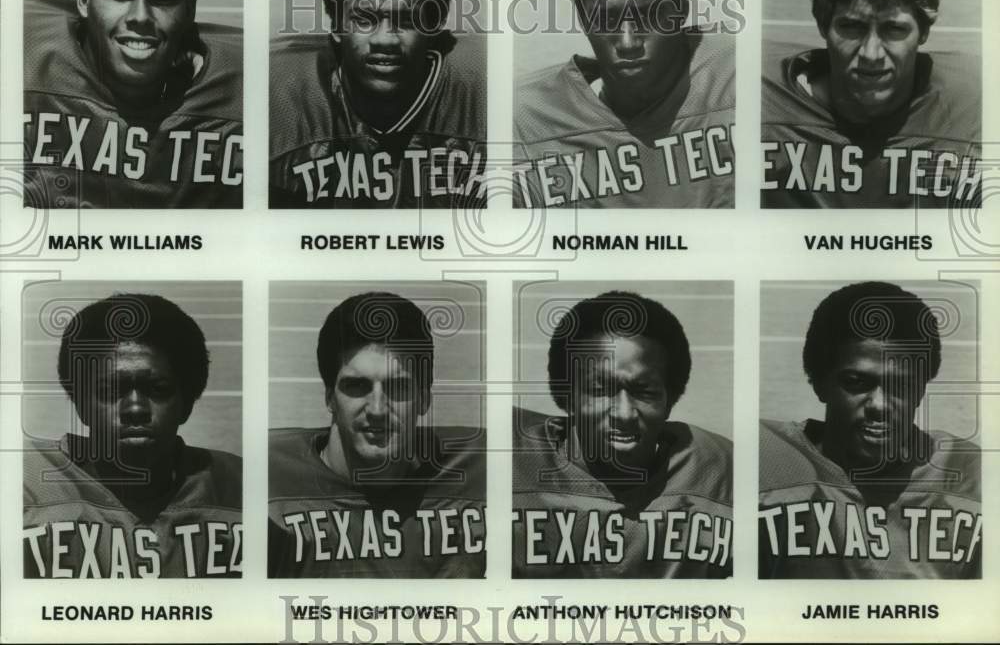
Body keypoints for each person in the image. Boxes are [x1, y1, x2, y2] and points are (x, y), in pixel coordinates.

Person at [759, 282, 981, 579]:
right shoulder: (766, 463)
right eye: (856, 382)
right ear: (818, 382)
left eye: (900, 385)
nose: (880, 404)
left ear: (920, 390)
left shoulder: (971, 475)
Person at [23, 0, 244, 208]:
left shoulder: (244, 92)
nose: (140, 16)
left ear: (189, 10)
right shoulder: (23, 64)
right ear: (84, 0)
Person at [513, 0, 735, 209]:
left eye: (648, 17)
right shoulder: (531, 117)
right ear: (582, 17)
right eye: (607, 19)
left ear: (681, 9)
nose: (628, 43)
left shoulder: (736, 78)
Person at [512, 291, 733, 577]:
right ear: (566, 396)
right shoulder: (510, 464)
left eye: (645, 392)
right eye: (600, 390)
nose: (624, 413)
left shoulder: (719, 474)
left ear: (670, 399)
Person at [269, 0, 487, 208]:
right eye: (364, 19)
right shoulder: (280, 97)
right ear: (335, 24)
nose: (386, 39)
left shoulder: (482, 93)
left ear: (435, 27)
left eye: (407, 21)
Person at [23, 294, 243, 578]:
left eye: (158, 388)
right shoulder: (24, 485)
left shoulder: (240, 487)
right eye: (112, 390)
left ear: (187, 403)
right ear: (80, 405)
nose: (136, 408)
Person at [761, 0, 980, 208]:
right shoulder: (760, 102)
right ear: (823, 25)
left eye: (894, 29)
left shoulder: (975, 105)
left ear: (923, 32)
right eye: (852, 27)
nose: (871, 53)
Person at [268, 291, 486, 577]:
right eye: (357, 386)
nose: (378, 409)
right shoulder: (269, 483)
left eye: (398, 387)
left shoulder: (481, 471)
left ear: (423, 400)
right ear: (329, 398)